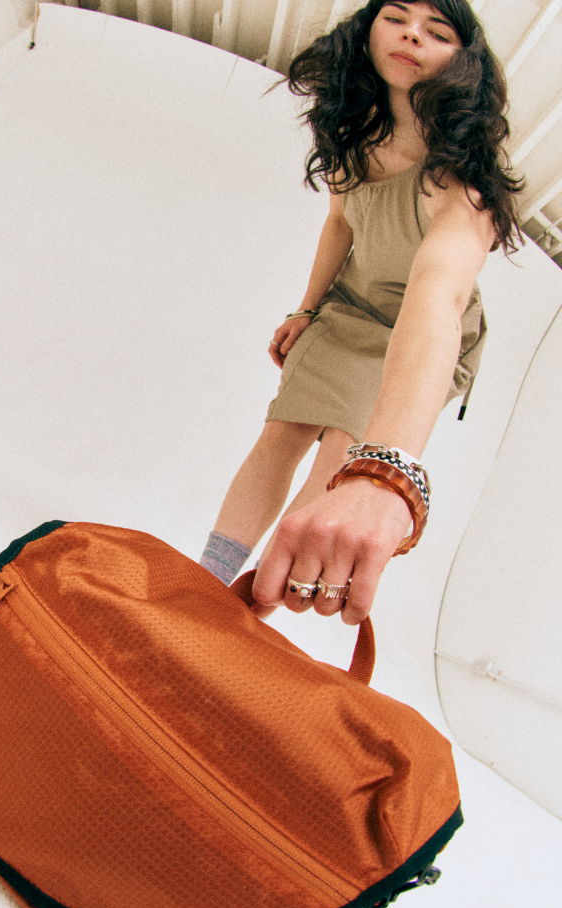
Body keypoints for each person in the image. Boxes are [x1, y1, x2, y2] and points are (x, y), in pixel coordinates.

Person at [199, 0, 523, 624]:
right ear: (366, 31)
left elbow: (438, 300)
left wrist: (383, 472)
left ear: (463, 62)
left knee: (341, 465)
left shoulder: (463, 184)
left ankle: (243, 615)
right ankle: (206, 583)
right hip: (349, 305)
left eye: (436, 31)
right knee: (279, 436)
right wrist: (308, 308)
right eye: (395, 17)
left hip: (412, 331)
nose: (410, 35)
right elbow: (340, 222)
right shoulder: (354, 129)